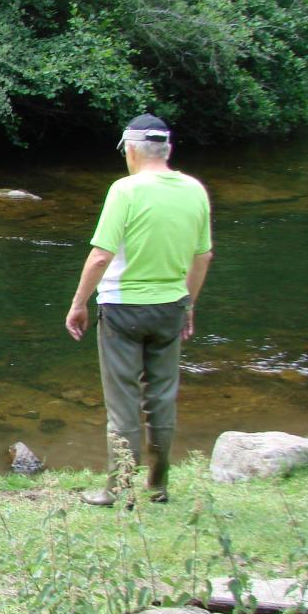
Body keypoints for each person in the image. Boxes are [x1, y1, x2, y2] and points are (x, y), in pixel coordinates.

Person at [66, 114, 213, 506]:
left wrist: (79, 303)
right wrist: (188, 304)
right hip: (171, 307)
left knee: (123, 402)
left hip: (122, 309)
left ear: (130, 150)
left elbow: (100, 257)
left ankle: (119, 489)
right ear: (168, 149)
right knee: (162, 397)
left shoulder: (125, 190)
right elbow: (204, 255)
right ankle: (159, 485)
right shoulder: (195, 190)